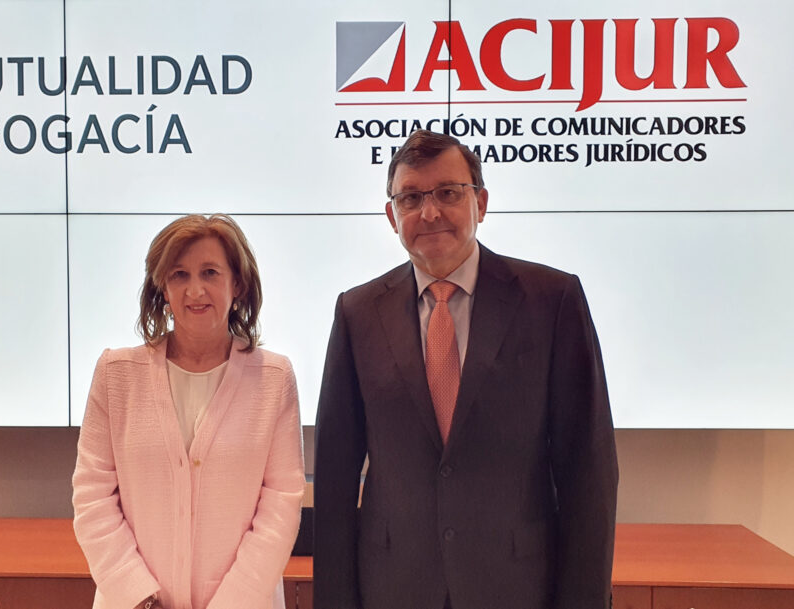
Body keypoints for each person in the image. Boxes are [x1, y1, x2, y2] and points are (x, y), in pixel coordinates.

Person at [313, 130, 618, 609]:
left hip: (517, 587)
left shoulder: (551, 300)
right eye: (411, 197)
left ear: (481, 202)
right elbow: (334, 476)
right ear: (392, 216)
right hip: (393, 588)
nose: (429, 212)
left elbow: (588, 472)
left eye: (448, 193)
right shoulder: (357, 312)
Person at [73, 214, 305, 609]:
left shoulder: (273, 378)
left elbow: (280, 505)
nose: (195, 290)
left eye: (210, 272)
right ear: (162, 287)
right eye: (179, 275)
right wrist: (140, 599)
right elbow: (92, 498)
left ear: (238, 283)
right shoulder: (116, 374)